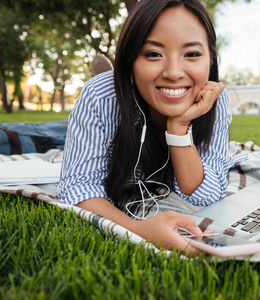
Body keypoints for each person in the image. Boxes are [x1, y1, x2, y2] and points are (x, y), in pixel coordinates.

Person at [57, 0, 245, 255]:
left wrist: (179, 127)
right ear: (130, 62)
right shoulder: (100, 96)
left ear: (211, 60)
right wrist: (138, 229)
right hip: (115, 104)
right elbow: (77, 187)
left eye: (191, 54)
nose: (174, 72)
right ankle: (110, 78)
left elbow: (207, 195)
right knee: (48, 136)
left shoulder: (214, 98)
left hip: (137, 98)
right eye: (153, 54)